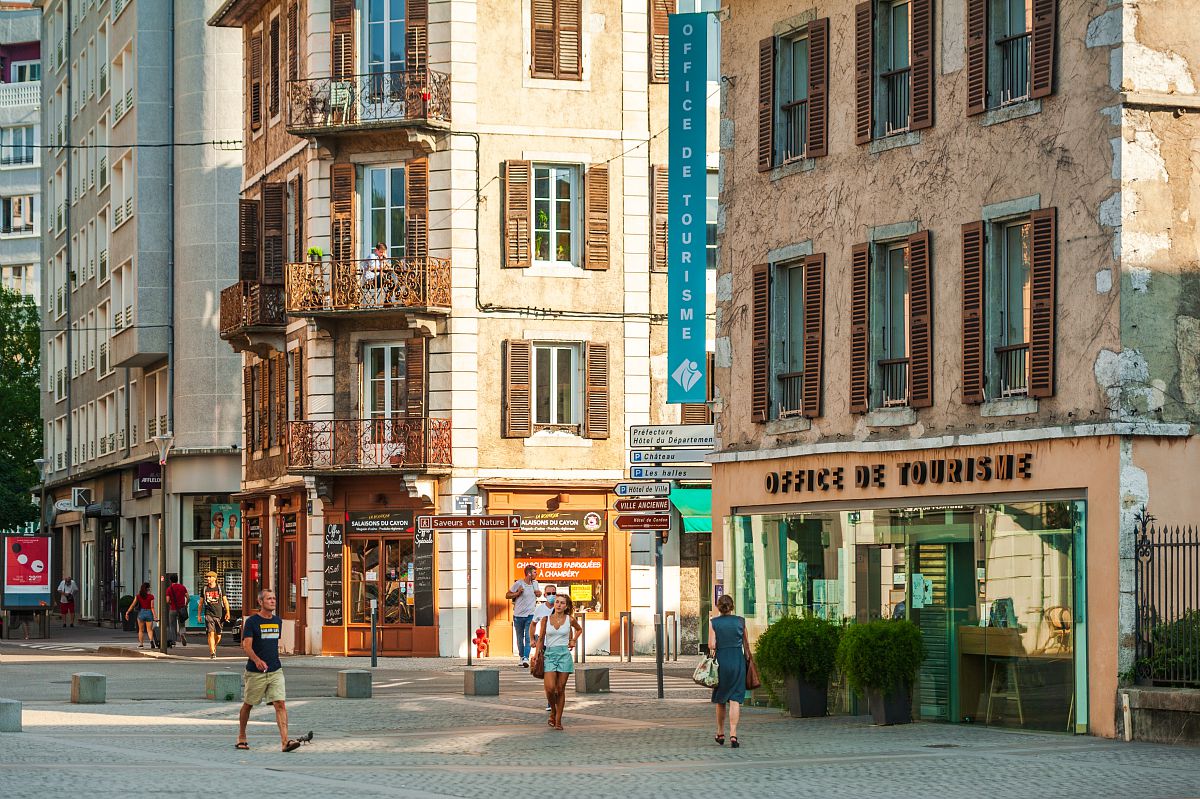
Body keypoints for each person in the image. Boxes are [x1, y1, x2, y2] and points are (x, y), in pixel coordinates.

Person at [235, 589, 311, 753]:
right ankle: (241, 736)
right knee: (248, 704)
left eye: (274, 598)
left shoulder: (278, 621)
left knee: (280, 704)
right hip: (255, 672)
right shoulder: (252, 622)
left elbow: (272, 644)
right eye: (269, 599)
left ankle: (285, 742)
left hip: (275, 669)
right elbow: (246, 646)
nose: (273, 601)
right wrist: (257, 660)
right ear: (260, 602)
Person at [532, 593, 581, 730]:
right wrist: (536, 655)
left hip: (564, 656)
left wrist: (573, 640)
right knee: (549, 688)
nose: (559, 605)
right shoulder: (546, 619)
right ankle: (553, 711)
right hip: (550, 655)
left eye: (562, 603)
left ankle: (558, 720)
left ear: (566, 606)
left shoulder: (570, 619)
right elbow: (541, 638)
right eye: (557, 602)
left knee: (560, 689)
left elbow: (579, 629)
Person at [708, 594, 749, 748]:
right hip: (738, 660)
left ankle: (720, 732)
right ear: (732, 607)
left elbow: (712, 645)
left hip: (722, 662)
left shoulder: (714, 622)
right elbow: (746, 642)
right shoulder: (740, 621)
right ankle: (733, 734)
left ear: (719, 607)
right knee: (735, 699)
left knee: (721, 699)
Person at [505, 564, 542, 667]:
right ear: (529, 573)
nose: (536, 574)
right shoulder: (519, 583)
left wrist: (539, 593)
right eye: (535, 572)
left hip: (531, 614)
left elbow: (537, 594)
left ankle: (526, 657)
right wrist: (517, 593)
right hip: (518, 615)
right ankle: (521, 656)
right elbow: (507, 595)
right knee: (519, 637)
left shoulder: (535, 583)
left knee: (528, 637)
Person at [530, 586, 557, 712]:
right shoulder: (540, 609)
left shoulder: (560, 607)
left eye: (554, 593)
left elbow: (570, 623)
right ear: (545, 595)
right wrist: (532, 640)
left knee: (557, 676)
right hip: (545, 646)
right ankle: (550, 701)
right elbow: (533, 624)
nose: (552, 595)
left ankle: (555, 699)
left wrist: (570, 640)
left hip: (558, 646)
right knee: (548, 676)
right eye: (549, 593)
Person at [200, 571, 231, 659]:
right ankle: (212, 652)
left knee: (218, 635)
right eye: (207, 577)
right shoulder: (204, 589)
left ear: (215, 578)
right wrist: (199, 615)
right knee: (211, 633)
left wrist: (228, 612)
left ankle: (214, 646)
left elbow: (225, 601)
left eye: (210, 577)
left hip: (219, 614)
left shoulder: (220, 588)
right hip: (208, 613)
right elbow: (201, 603)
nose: (208, 579)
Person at [125, 582, 157, 648]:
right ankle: (151, 641)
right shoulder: (151, 596)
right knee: (149, 630)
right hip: (149, 613)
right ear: (148, 588)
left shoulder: (138, 596)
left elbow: (133, 605)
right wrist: (155, 616)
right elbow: (152, 607)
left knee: (140, 630)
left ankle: (141, 644)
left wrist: (127, 612)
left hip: (141, 613)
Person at [165, 573, 190, 647]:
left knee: (172, 625)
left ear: (170, 580)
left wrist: (170, 603)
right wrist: (186, 604)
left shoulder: (169, 589)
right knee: (182, 624)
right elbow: (188, 597)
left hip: (173, 609)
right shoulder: (182, 587)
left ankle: (173, 640)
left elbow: (167, 600)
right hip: (181, 608)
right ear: (177, 579)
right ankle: (182, 634)